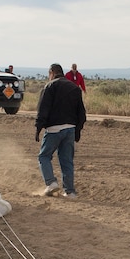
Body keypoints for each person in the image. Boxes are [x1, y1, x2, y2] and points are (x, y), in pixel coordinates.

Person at [35, 63, 87, 198]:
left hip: (54, 129)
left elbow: (43, 109)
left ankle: (51, 183)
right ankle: (70, 192)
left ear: (52, 72)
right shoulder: (74, 88)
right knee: (67, 160)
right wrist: (78, 131)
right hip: (70, 129)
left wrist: (38, 127)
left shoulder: (50, 86)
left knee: (44, 156)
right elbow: (81, 113)